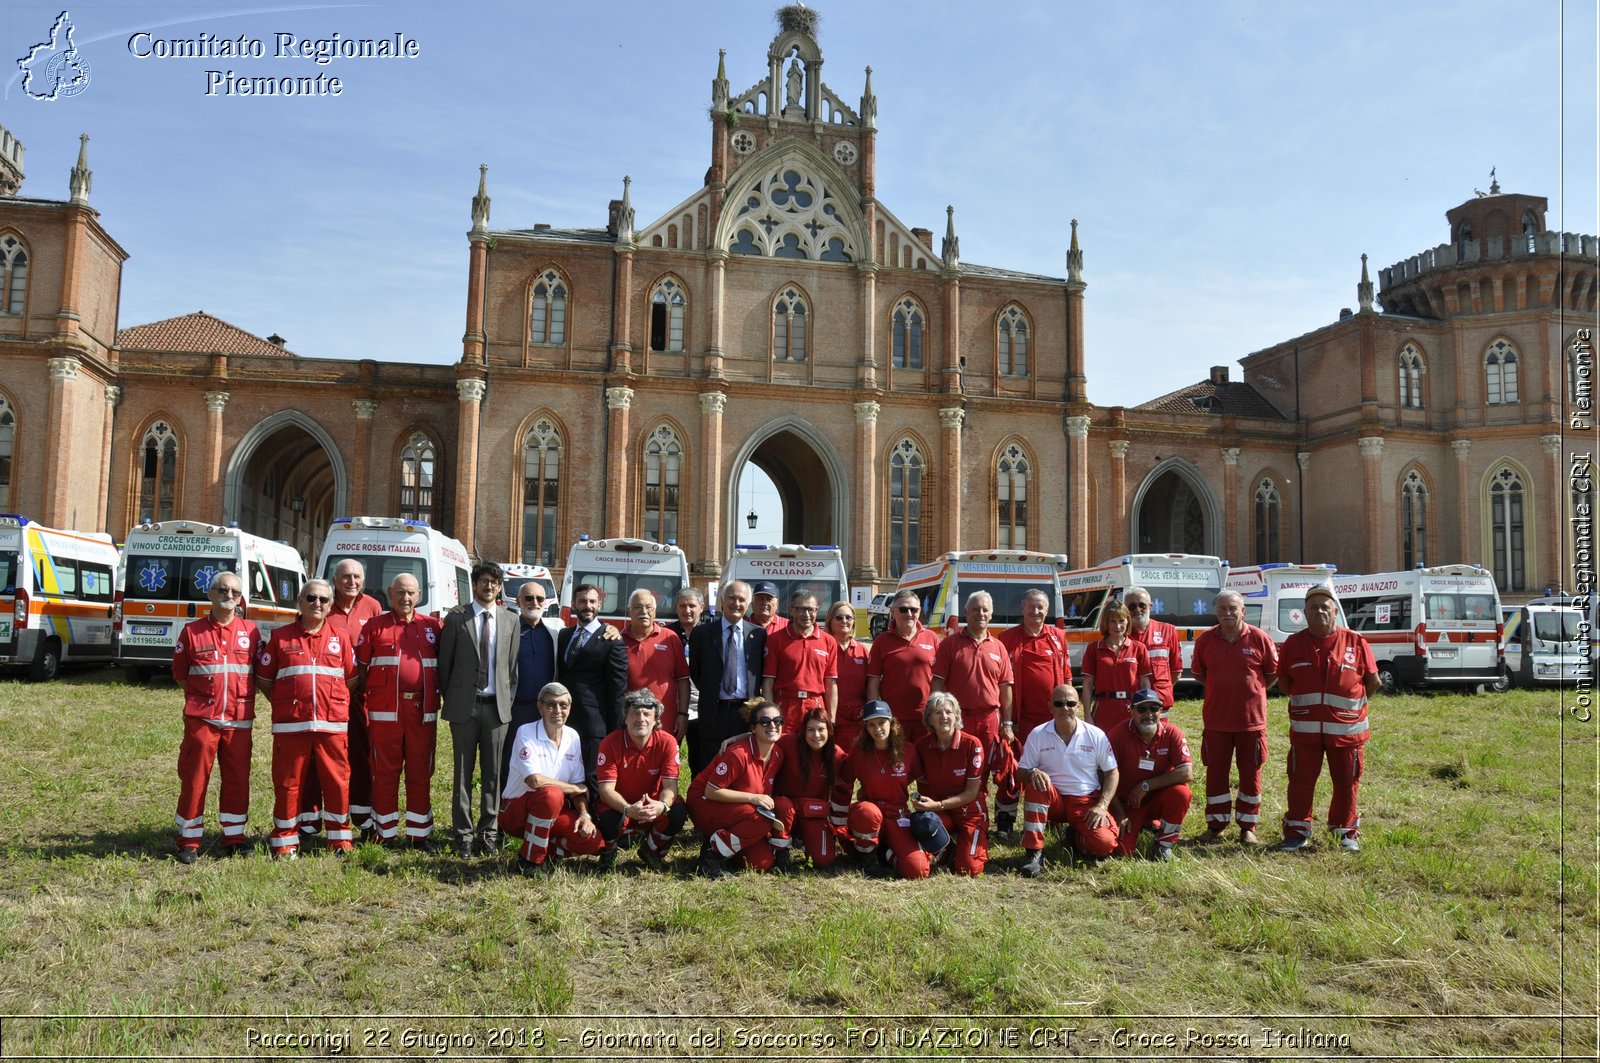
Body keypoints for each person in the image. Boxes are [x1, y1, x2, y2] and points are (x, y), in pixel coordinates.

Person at [255, 579, 357, 859]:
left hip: (332, 724)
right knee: (288, 783)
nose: (318, 604)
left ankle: (339, 840)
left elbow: (351, 679)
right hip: (292, 725)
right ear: (300, 602)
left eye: (324, 600)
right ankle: (285, 841)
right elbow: (265, 680)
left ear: (330, 605)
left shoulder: (341, 637)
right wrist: (287, 701)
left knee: (337, 781)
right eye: (311, 598)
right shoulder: (281, 637)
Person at [1274, 582, 1378, 853]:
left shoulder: (1356, 641)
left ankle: (1344, 832)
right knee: (1300, 781)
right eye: (1313, 607)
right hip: (1306, 732)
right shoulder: (1293, 644)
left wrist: (1350, 707)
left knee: (1346, 782)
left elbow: (1372, 681)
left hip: (1347, 732)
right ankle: (1297, 831)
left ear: (1335, 612)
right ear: (1304, 613)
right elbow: (1284, 682)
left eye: (1325, 607)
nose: (1319, 611)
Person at [171, 570, 259, 862]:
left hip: (239, 720)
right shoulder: (192, 632)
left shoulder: (252, 632)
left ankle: (233, 836)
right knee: (195, 779)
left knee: (237, 779)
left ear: (241, 597)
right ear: (210, 595)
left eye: (234, 591)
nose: (229, 596)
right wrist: (203, 701)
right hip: (203, 719)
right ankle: (189, 840)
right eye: (222, 590)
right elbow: (181, 674)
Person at [354, 573, 443, 850]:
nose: (406, 598)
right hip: (385, 713)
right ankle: (385, 833)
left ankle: (419, 835)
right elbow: (360, 669)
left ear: (419, 596)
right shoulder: (374, 626)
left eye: (411, 593)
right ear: (390, 594)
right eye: (400, 593)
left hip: (421, 711)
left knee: (420, 772)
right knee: (385, 772)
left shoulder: (432, 627)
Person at [439, 562, 519, 858]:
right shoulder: (457, 619)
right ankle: (463, 834)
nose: (489, 586)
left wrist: (504, 703)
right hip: (465, 708)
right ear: (474, 584)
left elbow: (512, 669)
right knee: (462, 773)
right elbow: (444, 667)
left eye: (494, 582)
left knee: (493, 774)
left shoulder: (511, 620)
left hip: (497, 709)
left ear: (500, 587)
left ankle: (489, 832)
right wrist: (456, 699)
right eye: (484, 581)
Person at [1190, 589, 1279, 846]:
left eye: (1233, 608)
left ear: (1243, 611)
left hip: (1251, 722)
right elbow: (1200, 674)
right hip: (1216, 722)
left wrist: (1253, 691)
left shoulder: (1260, 639)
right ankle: (1215, 826)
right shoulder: (1205, 640)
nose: (1227, 613)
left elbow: (1272, 674)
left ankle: (1247, 827)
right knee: (1216, 774)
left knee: (1251, 774)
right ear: (1216, 612)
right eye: (1222, 609)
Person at [499, 682, 606, 875]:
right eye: (551, 705)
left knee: (593, 841)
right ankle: (531, 861)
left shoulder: (572, 736)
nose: (557, 710)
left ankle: (544, 849)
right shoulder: (526, 732)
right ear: (540, 707)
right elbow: (535, 781)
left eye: (563, 705)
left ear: (570, 708)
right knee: (551, 794)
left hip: (551, 814)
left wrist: (584, 814)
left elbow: (579, 786)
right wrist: (573, 789)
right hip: (516, 811)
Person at [1017, 683, 1120, 876]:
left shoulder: (1095, 735)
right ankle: (1034, 853)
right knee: (1036, 786)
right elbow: (1021, 771)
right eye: (1059, 703)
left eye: (1070, 703)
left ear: (1079, 706)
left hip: (1085, 802)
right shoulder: (1038, 734)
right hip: (1053, 800)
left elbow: (1112, 772)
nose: (1065, 708)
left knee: (1105, 845)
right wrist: (1032, 773)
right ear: (1050, 707)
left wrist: (1102, 805)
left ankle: (1076, 838)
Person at [995, 588, 1071, 836]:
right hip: (1020, 721)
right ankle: (1005, 820)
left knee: (1053, 767)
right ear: (1022, 609)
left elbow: (1067, 677)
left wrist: (1069, 713)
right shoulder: (1007, 639)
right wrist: (1006, 720)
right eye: (1032, 606)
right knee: (1013, 770)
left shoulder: (1058, 637)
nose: (1036, 611)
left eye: (1041, 607)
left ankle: (1054, 817)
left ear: (1047, 610)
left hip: (1053, 719)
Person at [687, 700, 791, 878]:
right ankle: (710, 858)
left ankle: (722, 841)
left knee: (761, 863)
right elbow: (711, 791)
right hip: (705, 802)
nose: (772, 726)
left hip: (738, 810)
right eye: (765, 722)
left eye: (778, 721)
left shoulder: (778, 754)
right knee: (762, 819)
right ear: (753, 727)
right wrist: (753, 798)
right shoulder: (738, 753)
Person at [593, 689, 689, 871]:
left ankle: (652, 851)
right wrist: (628, 809)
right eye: (635, 713)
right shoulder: (609, 743)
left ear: (655, 720)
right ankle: (608, 853)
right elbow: (606, 791)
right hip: (621, 804)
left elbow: (670, 787)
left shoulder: (668, 742)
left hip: (652, 802)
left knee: (677, 811)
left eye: (647, 714)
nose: (641, 719)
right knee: (607, 817)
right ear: (625, 718)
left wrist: (661, 805)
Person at [327, 558, 384, 839]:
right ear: (335, 580)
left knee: (362, 756)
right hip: (327, 696)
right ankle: (323, 819)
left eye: (357, 577)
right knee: (329, 757)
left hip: (361, 696)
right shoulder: (324, 604)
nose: (352, 582)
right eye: (346, 576)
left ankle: (363, 818)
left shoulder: (372, 607)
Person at [842, 700, 931, 879]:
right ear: (866, 728)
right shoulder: (859, 752)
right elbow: (844, 781)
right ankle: (867, 857)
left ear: (892, 723)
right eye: (871, 724)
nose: (878, 729)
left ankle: (884, 853)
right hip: (870, 814)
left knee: (918, 870)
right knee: (867, 811)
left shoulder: (908, 750)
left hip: (898, 815)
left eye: (882, 722)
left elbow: (922, 779)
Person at [688, 581, 767, 778]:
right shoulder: (702, 634)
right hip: (714, 711)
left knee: (743, 765)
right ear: (722, 600)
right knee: (710, 764)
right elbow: (696, 672)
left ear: (748, 604)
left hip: (746, 711)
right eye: (731, 598)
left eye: (742, 599)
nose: (736, 603)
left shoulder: (758, 635)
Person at [558, 582, 630, 792]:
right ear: (573, 604)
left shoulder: (611, 640)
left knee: (593, 776)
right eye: (582, 601)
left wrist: (615, 729)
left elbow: (618, 689)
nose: (587, 606)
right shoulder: (564, 636)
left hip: (594, 724)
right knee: (567, 773)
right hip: (564, 719)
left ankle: (595, 821)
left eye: (592, 601)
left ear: (599, 604)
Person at [1108, 688, 1192, 861]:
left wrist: (1146, 785)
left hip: (1155, 800)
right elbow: (1104, 776)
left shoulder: (1172, 733)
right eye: (1141, 709)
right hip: (1127, 805)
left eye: (1154, 708)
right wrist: (1120, 814)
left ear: (1161, 711)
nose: (1149, 714)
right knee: (1123, 851)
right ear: (1131, 711)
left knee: (1182, 793)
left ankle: (1164, 845)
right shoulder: (1117, 734)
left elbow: (1186, 772)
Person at [910, 691, 988, 876]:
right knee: (921, 822)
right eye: (937, 712)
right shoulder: (921, 746)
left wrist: (938, 805)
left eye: (948, 712)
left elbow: (971, 793)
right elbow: (905, 778)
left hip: (969, 813)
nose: (943, 716)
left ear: (956, 716)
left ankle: (972, 843)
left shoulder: (972, 744)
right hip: (940, 814)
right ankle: (948, 851)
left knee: (968, 869)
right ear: (930, 719)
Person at [773, 707, 849, 869]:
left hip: (812, 812)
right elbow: (763, 737)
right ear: (803, 731)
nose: (816, 735)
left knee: (824, 860)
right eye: (810, 730)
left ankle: (803, 839)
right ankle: (781, 851)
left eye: (821, 729)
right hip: (785, 811)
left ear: (829, 730)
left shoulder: (836, 754)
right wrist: (739, 737)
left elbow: (846, 787)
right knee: (783, 805)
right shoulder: (789, 743)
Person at [866, 589, 941, 743]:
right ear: (893, 611)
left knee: (923, 763)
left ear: (919, 611)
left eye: (913, 609)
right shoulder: (882, 641)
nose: (909, 613)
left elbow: (940, 678)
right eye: (903, 609)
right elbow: (873, 681)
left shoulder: (931, 638)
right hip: (893, 718)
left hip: (925, 717)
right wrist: (875, 715)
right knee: (897, 763)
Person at [503, 582, 557, 792]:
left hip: (546, 712)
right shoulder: (508, 631)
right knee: (511, 759)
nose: (534, 602)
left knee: (544, 760)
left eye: (539, 599)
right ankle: (506, 807)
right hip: (515, 710)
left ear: (546, 603)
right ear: (518, 601)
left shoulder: (554, 634)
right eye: (528, 598)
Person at [762, 590, 839, 731]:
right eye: (801, 609)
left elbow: (830, 684)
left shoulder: (829, 641)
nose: (807, 614)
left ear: (817, 610)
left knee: (813, 750)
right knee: (784, 748)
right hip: (785, 706)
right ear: (792, 610)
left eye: (811, 609)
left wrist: (831, 718)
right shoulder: (775, 639)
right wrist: (770, 714)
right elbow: (768, 682)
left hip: (815, 705)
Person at [622, 589, 690, 742]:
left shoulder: (670, 638)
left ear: (655, 611)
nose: (644, 611)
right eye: (638, 607)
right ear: (630, 611)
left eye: (648, 607)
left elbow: (683, 680)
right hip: (632, 720)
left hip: (666, 720)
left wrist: (683, 714)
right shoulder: (619, 640)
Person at [1080, 600, 1153, 733]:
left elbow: (1144, 683)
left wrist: (1146, 711)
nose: (1117, 626)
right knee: (1103, 750)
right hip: (1104, 709)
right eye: (1112, 621)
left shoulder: (1139, 648)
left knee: (1130, 749)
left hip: (1131, 708)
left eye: (1121, 620)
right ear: (1106, 623)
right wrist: (1087, 716)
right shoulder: (1094, 649)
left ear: (1127, 622)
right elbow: (1088, 685)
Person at [665, 586, 707, 771]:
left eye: (692, 605)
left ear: (702, 607)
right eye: (682, 606)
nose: (687, 610)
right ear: (676, 608)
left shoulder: (710, 634)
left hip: (701, 708)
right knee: (668, 758)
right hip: (674, 708)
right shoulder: (666, 634)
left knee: (699, 761)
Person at [1124, 587, 1178, 714]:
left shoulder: (1168, 631)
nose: (1137, 610)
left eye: (1142, 605)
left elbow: (1176, 672)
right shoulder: (1121, 635)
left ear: (1150, 606)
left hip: (1159, 704)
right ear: (1125, 609)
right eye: (1132, 607)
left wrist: (1162, 691)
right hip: (1130, 705)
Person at [825, 600, 871, 752]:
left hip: (855, 717)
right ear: (830, 621)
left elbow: (869, 684)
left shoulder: (862, 650)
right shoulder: (823, 646)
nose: (844, 621)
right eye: (839, 617)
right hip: (829, 716)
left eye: (848, 617)